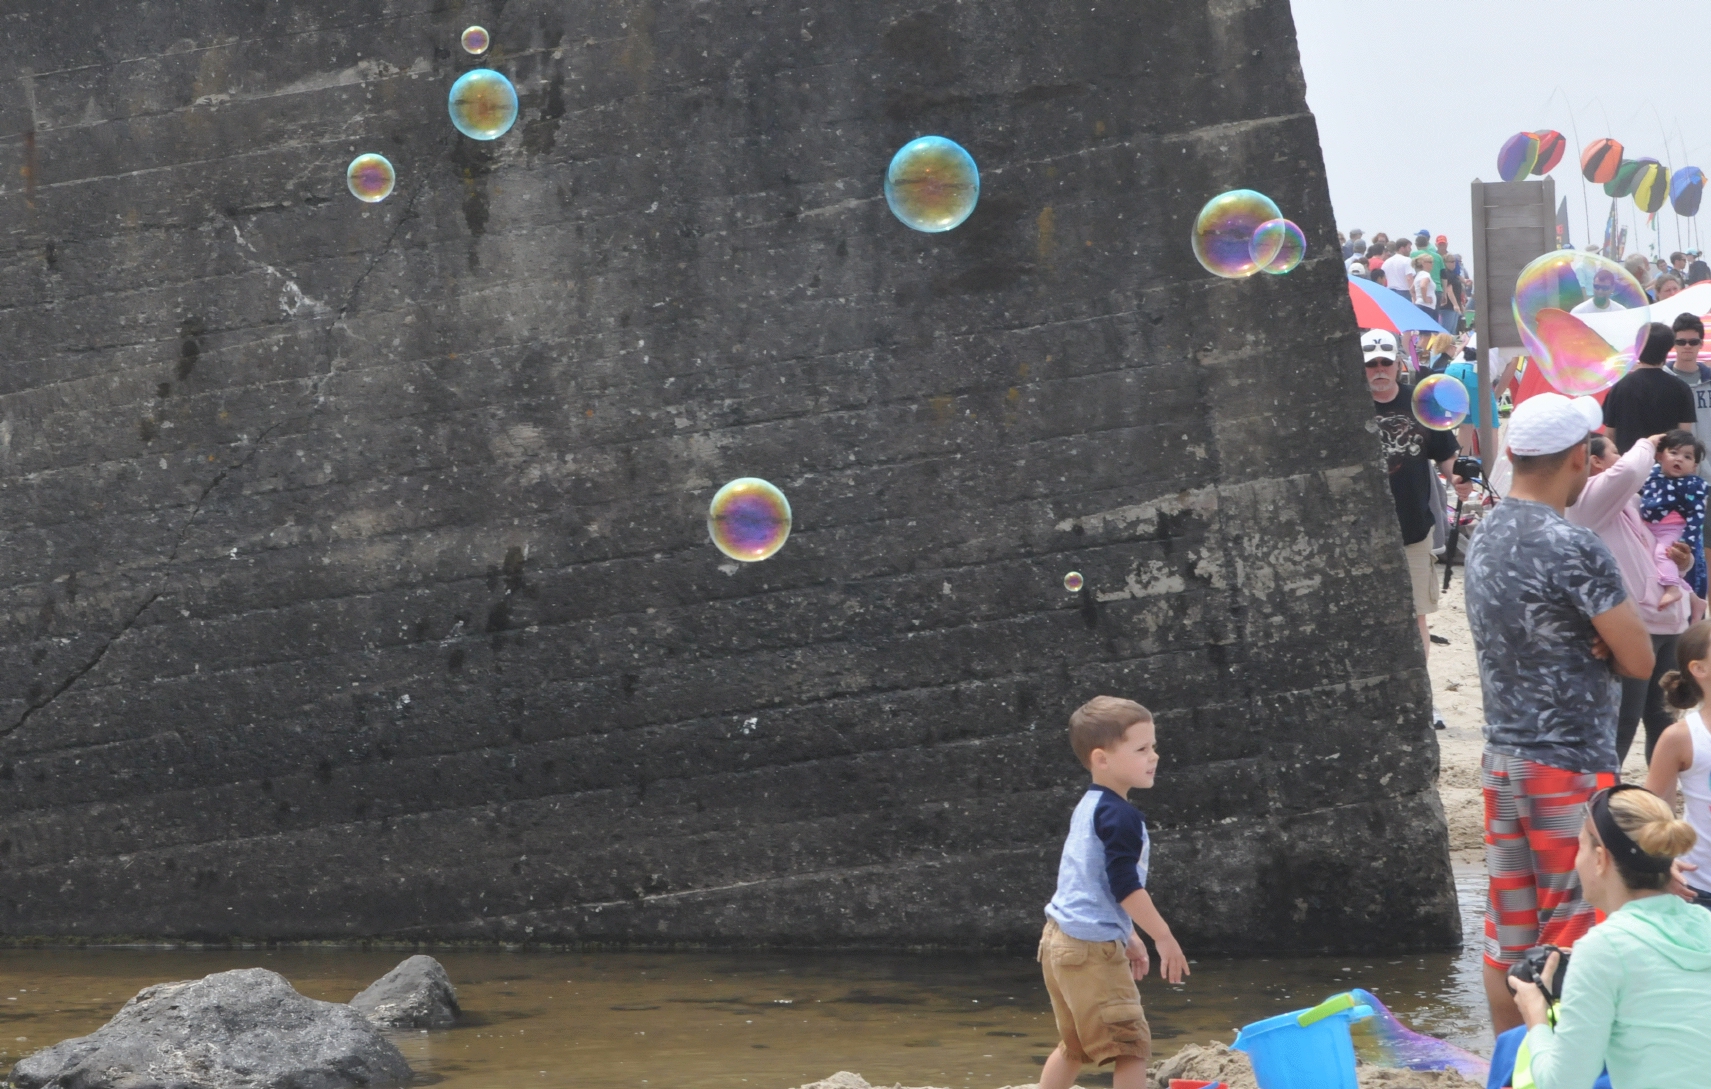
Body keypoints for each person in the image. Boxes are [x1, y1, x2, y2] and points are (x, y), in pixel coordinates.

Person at [1464, 392, 1655, 1035]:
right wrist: (1601, 641)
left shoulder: (1484, 530)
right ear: (1579, 457)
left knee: (1507, 938)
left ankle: (1508, 1067)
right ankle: (1562, 1069)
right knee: (1574, 935)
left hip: (1501, 762)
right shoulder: (1571, 544)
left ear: (1513, 454)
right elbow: (1639, 659)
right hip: (1569, 769)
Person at [1506, 785, 1711, 1089]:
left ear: (1600, 859)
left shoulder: (1604, 948)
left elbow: (1563, 1083)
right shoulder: (1705, 923)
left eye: (1580, 846)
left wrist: (1536, 1014)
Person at [1037, 696, 1186, 1089]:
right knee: (1131, 1047)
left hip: (1058, 940)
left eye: (1153, 746)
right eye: (1142, 749)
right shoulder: (1122, 817)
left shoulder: (1089, 805)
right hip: (1090, 951)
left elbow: (1088, 884)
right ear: (1102, 759)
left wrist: (1129, 935)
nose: (1154, 756)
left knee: (1074, 1046)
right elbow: (1124, 886)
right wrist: (1163, 937)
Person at [1572, 434, 1695, 771]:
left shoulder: (1632, 502)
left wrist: (1683, 562)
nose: (1623, 454)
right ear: (1596, 462)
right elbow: (1628, 472)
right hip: (1636, 625)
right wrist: (1646, 442)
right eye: (1615, 450)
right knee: (1623, 722)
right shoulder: (1588, 499)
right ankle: (1603, 802)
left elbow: (1656, 552)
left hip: (1669, 621)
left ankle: (1658, 799)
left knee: (1664, 720)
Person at [1364, 329, 1461, 672]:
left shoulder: (1421, 402)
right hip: (1364, 534)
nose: (1378, 369)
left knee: (1417, 614)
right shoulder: (1348, 407)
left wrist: (1459, 478)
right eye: (1371, 364)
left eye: (1385, 362)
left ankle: (1420, 695)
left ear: (1397, 364)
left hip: (1413, 528)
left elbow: (1446, 455)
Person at [1647, 623, 1711, 909]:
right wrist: (1662, 868)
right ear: (1699, 669)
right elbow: (1654, 815)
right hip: (1699, 889)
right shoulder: (1682, 737)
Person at [1639, 430, 1708, 620]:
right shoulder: (1652, 474)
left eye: (1687, 457)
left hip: (1672, 530)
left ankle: (1672, 588)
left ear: (1694, 466)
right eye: (1674, 453)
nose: (1679, 459)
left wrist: (1688, 542)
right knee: (1653, 561)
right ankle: (1694, 599)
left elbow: (1696, 516)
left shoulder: (1692, 485)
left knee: (1663, 554)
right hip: (1649, 527)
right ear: (1660, 456)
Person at [1601, 323, 1696, 453]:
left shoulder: (1619, 387)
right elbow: (1684, 437)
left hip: (1628, 466)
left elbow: (1610, 435)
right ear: (1668, 349)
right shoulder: (1681, 388)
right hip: (1664, 467)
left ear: (1638, 347)